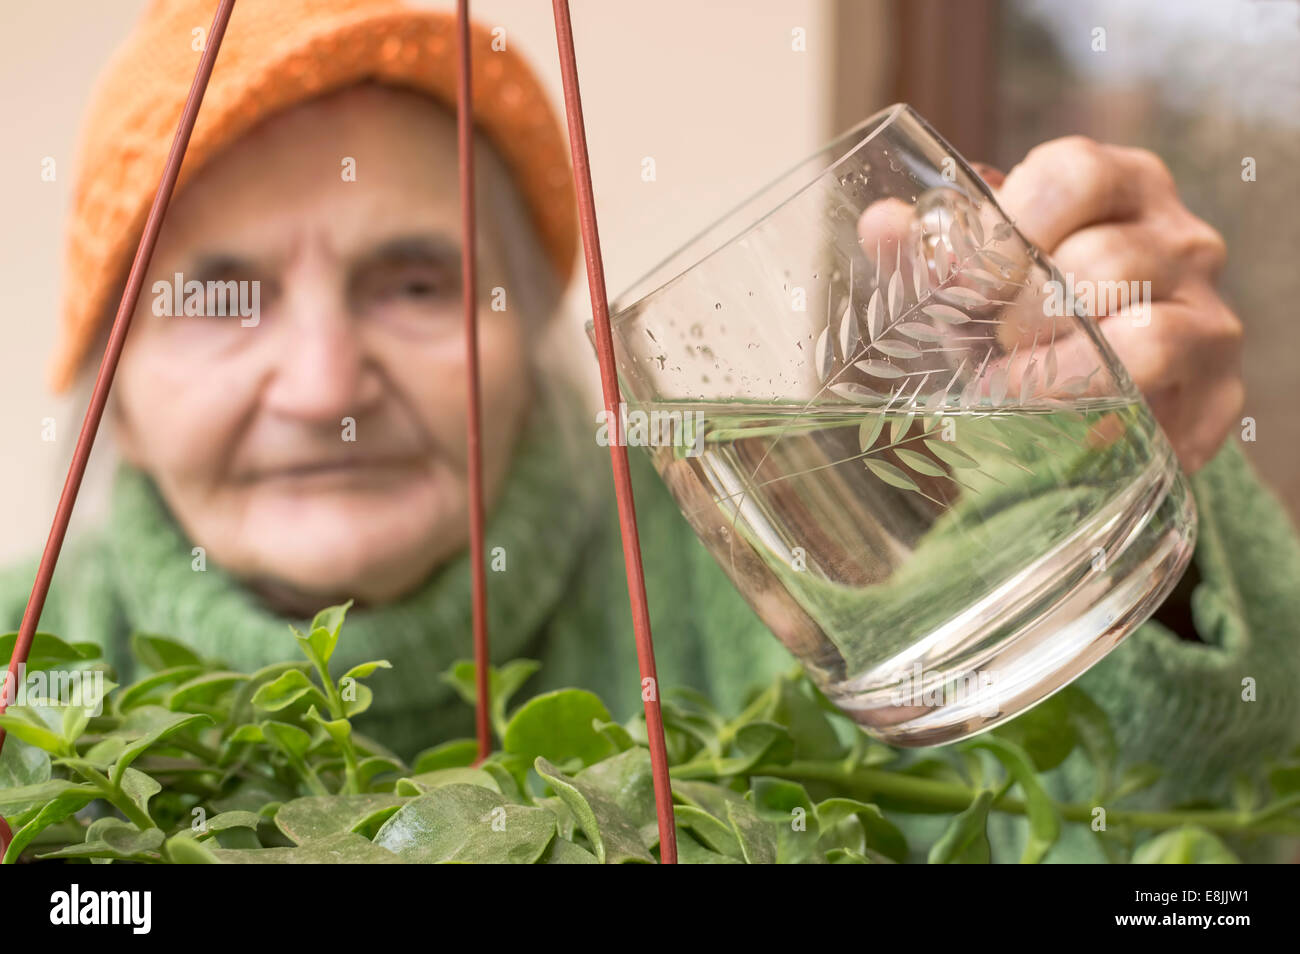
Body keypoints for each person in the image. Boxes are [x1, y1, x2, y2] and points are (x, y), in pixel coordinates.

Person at [3, 0, 1297, 863]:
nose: (327, 380)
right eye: (227, 301)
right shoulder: (29, 673)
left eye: (416, 284)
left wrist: (1121, 479)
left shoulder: (781, 570)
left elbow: (1151, 821)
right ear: (111, 381)